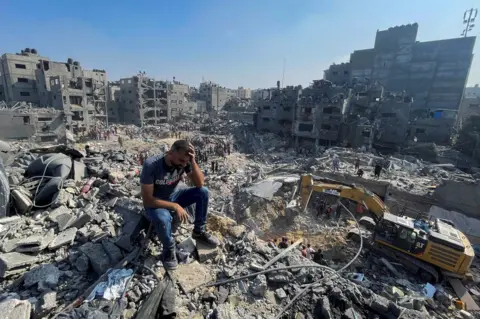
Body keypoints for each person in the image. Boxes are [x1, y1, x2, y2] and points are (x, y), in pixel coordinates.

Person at [140, 140, 220, 270]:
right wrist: (175, 207)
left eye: (186, 161)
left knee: (203, 192)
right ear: (171, 152)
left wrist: (193, 161)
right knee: (162, 218)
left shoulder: (184, 162)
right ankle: (168, 249)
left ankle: (199, 231)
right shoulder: (152, 165)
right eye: (181, 160)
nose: (183, 164)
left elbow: (199, 184)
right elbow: (148, 200)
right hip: (157, 202)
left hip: (174, 196)